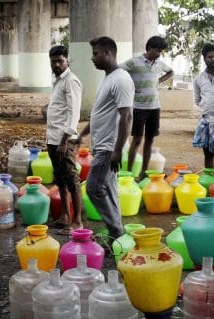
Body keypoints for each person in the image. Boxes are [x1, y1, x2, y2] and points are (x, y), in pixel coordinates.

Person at [78, 36, 134, 241]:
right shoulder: (109, 77)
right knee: (109, 189)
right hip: (103, 144)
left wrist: (118, 150)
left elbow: (127, 115)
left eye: (96, 54)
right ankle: (117, 234)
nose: (92, 58)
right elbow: (101, 113)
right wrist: (82, 135)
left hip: (109, 146)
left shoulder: (121, 79)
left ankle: (116, 232)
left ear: (108, 54)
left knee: (93, 188)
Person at [120, 36, 173, 180]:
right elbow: (118, 71)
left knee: (149, 141)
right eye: (158, 50)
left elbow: (170, 71)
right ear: (149, 48)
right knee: (137, 140)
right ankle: (129, 174)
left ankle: (143, 173)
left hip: (154, 107)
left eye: (161, 51)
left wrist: (158, 82)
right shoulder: (134, 62)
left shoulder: (159, 63)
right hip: (138, 108)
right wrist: (129, 87)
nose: (159, 53)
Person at [45, 45, 83, 234]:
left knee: (71, 179)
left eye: (60, 60)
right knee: (60, 179)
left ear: (67, 61)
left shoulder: (71, 81)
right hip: (53, 139)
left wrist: (64, 141)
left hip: (64, 141)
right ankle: (65, 216)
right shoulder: (58, 81)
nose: (57, 64)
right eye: (54, 61)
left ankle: (77, 220)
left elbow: (74, 113)